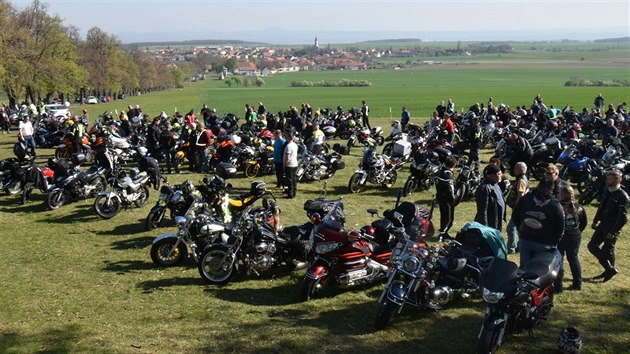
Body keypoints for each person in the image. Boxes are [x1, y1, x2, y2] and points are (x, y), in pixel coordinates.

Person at [513, 176, 565, 267]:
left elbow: (515, 214)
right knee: (541, 271)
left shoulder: (526, 198)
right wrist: (554, 240)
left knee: (524, 269)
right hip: (545, 242)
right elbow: (561, 226)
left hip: (526, 238)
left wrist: (521, 229)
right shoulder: (555, 204)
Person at [588, 170, 628, 282]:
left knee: (608, 250)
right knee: (592, 245)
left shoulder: (622, 197)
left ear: (617, 180)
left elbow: (623, 218)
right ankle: (610, 269)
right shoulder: (607, 190)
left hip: (612, 227)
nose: (607, 180)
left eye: (609, 179)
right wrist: (596, 220)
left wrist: (613, 232)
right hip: (603, 224)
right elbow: (601, 207)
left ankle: (608, 272)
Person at [554, 186, 587, 291]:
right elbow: (584, 223)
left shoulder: (557, 207)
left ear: (563, 195)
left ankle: (558, 286)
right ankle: (578, 283)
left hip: (560, 236)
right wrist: (576, 231)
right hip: (574, 235)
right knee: (573, 258)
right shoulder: (579, 207)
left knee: (559, 260)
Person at [505, 162, 529, 253]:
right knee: (519, 228)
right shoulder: (522, 179)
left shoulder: (521, 181)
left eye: (516, 168)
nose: (514, 169)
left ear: (521, 170)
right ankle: (519, 247)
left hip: (518, 208)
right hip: (520, 208)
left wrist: (517, 208)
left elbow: (521, 195)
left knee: (511, 228)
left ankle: (511, 248)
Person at [475, 164, 506, 230]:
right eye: (499, 174)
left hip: (497, 220)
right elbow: (483, 209)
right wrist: (485, 225)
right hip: (490, 222)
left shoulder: (496, 184)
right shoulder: (484, 188)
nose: (501, 176)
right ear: (491, 175)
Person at [436, 156, 456, 241]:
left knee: (443, 216)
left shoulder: (441, 171)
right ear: (454, 165)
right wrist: (453, 198)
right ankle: (442, 234)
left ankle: (444, 233)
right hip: (447, 199)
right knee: (449, 219)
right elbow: (450, 187)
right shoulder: (449, 174)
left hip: (440, 197)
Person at [283, 131, 298, 199]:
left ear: (289, 137)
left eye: (286, 136)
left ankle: (290, 194)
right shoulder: (295, 144)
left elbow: (287, 157)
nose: (285, 137)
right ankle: (294, 192)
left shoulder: (288, 146)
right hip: (295, 164)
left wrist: (284, 164)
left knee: (289, 180)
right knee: (294, 179)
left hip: (290, 165)